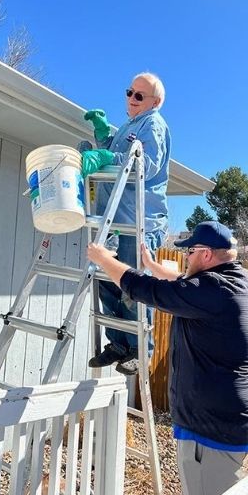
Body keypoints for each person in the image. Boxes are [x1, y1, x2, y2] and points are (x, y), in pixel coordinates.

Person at [87, 219, 248, 495]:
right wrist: (154, 266)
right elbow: (183, 285)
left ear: (206, 254)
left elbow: (145, 289)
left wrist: (103, 259)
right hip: (232, 420)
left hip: (212, 432)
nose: (186, 257)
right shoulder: (238, 280)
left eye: (190, 252)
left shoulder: (213, 290)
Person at [83, 74, 170, 372]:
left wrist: (107, 154)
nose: (131, 99)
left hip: (140, 220)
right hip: (116, 219)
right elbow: (114, 155)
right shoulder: (129, 128)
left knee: (135, 287)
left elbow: (145, 164)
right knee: (108, 282)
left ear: (154, 102)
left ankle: (138, 350)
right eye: (129, 92)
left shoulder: (154, 125)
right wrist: (103, 136)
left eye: (139, 96)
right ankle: (118, 343)